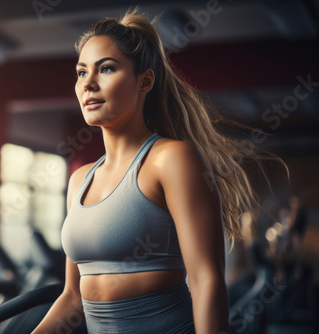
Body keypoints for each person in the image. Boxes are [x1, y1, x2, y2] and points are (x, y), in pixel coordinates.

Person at [32, 6, 289, 334]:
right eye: (82, 72)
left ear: (145, 81)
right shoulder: (79, 179)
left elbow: (205, 279)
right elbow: (72, 297)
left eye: (106, 69)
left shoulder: (171, 159)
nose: (88, 84)